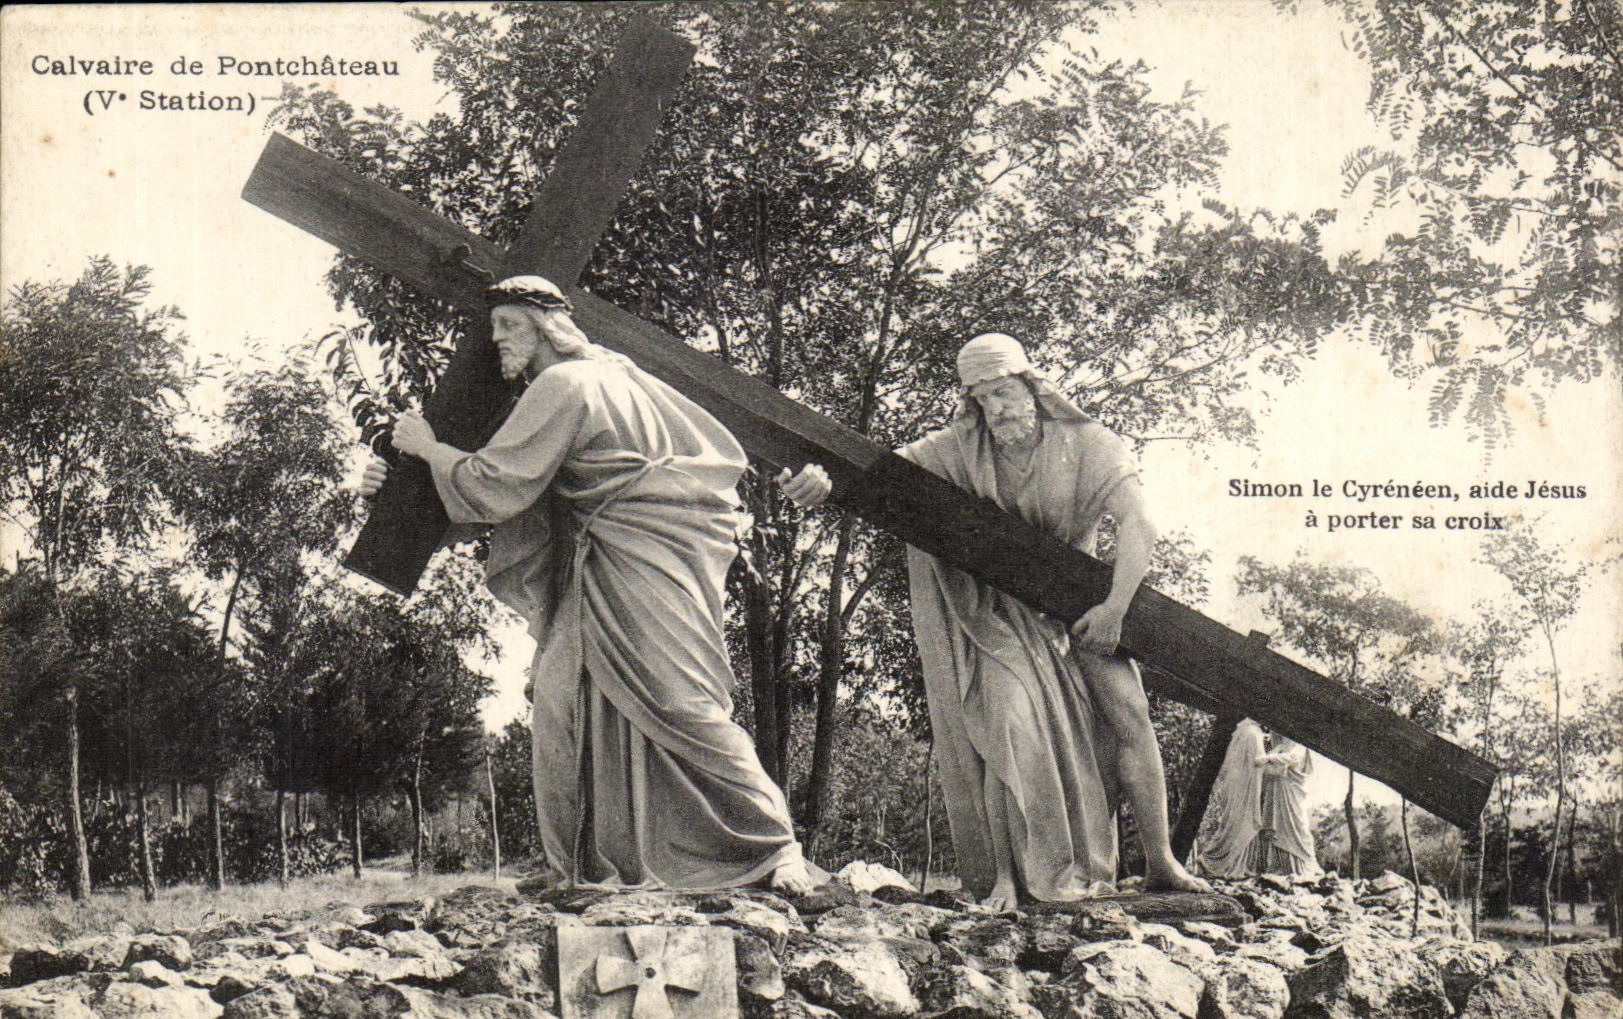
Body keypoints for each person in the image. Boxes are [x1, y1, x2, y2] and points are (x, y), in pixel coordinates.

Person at [360, 275, 813, 895]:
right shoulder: (628, 378)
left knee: (678, 702)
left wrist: (428, 449)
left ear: (548, 325)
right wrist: (393, 488)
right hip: (619, 565)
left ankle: (772, 845)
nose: (497, 341)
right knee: (564, 698)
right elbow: (533, 492)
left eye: (510, 325)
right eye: (494, 328)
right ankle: (586, 864)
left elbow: (496, 483)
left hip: (641, 564)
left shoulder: (563, 383)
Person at [780, 333, 1208, 908]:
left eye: (1004, 393)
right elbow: (874, 472)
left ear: (1032, 386)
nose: (996, 409)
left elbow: (1138, 525)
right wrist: (819, 479)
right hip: (998, 615)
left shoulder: (1090, 443)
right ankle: (1009, 877)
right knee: (1007, 720)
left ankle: (1161, 863)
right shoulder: (961, 446)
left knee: (1130, 714)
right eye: (981, 399)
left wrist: (1115, 609)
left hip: (1082, 605)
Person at [1190, 718, 1267, 879]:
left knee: (1231, 823)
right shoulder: (1254, 733)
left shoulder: (1240, 731)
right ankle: (1218, 863)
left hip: (1234, 785)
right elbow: (1259, 761)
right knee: (1242, 823)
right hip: (1245, 786)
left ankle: (1225, 864)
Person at [1256, 733, 1321, 877]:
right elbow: (1267, 768)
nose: (1279, 737)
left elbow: (1293, 759)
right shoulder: (1281, 747)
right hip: (1277, 791)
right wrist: (1274, 752)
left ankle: (1303, 865)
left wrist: (1269, 757)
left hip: (1291, 792)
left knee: (1297, 827)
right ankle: (1280, 866)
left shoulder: (1300, 745)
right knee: (1277, 828)